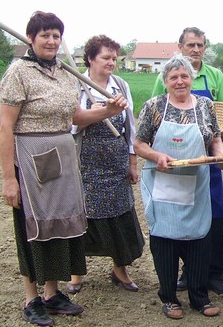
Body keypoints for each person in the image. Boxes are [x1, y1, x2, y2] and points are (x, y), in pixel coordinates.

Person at [0, 12, 128, 326]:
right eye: (45, 35)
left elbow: (76, 118)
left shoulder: (65, 73)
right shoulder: (19, 72)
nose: (52, 41)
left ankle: (52, 293)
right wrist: (8, 179)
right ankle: (31, 299)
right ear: (31, 38)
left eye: (56, 35)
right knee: (34, 228)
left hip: (64, 157)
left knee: (62, 225)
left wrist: (107, 111)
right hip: (31, 158)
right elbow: (5, 127)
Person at [134, 55, 223, 320]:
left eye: (184, 76)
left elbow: (215, 138)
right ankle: (168, 298)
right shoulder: (154, 106)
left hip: (197, 183)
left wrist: (221, 156)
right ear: (165, 81)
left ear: (191, 78)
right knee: (165, 239)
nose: (180, 81)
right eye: (173, 77)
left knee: (199, 240)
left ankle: (199, 296)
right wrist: (157, 157)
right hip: (163, 182)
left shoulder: (205, 106)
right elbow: (139, 144)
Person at [151, 26, 223, 296]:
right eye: (190, 45)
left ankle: (214, 273)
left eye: (200, 45)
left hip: (208, 160)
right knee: (180, 214)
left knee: (215, 216)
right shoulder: (166, 75)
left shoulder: (215, 76)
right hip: (178, 160)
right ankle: (187, 272)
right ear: (180, 46)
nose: (195, 49)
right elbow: (157, 113)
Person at [67, 35, 144, 294]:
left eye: (114, 58)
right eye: (106, 57)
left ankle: (120, 270)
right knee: (83, 217)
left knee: (120, 215)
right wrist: (99, 112)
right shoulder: (75, 84)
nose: (111, 62)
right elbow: (71, 125)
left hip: (116, 162)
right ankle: (76, 274)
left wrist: (132, 163)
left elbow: (131, 129)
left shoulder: (120, 85)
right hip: (86, 164)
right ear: (90, 58)